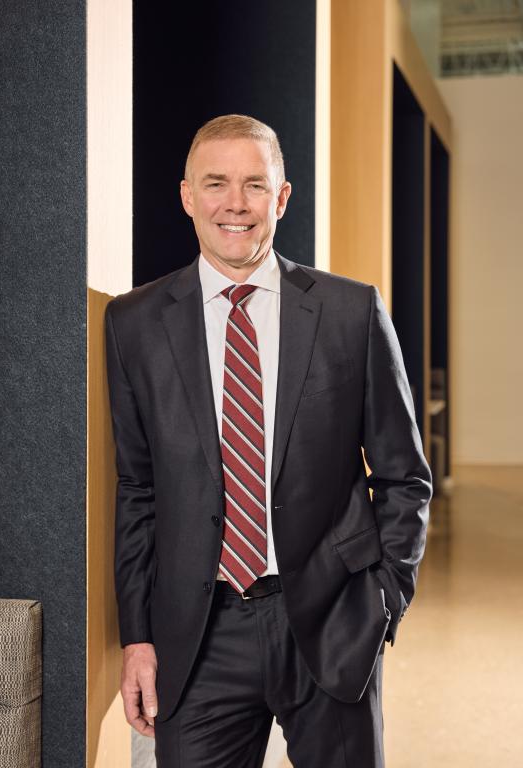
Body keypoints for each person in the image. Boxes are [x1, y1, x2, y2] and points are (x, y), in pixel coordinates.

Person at [105, 114, 432, 767]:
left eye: (255, 185)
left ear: (282, 198)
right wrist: (138, 638)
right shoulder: (134, 323)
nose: (235, 203)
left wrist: (382, 603)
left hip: (331, 621)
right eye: (217, 183)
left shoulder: (350, 312)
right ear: (187, 196)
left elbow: (404, 476)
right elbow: (139, 492)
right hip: (200, 638)